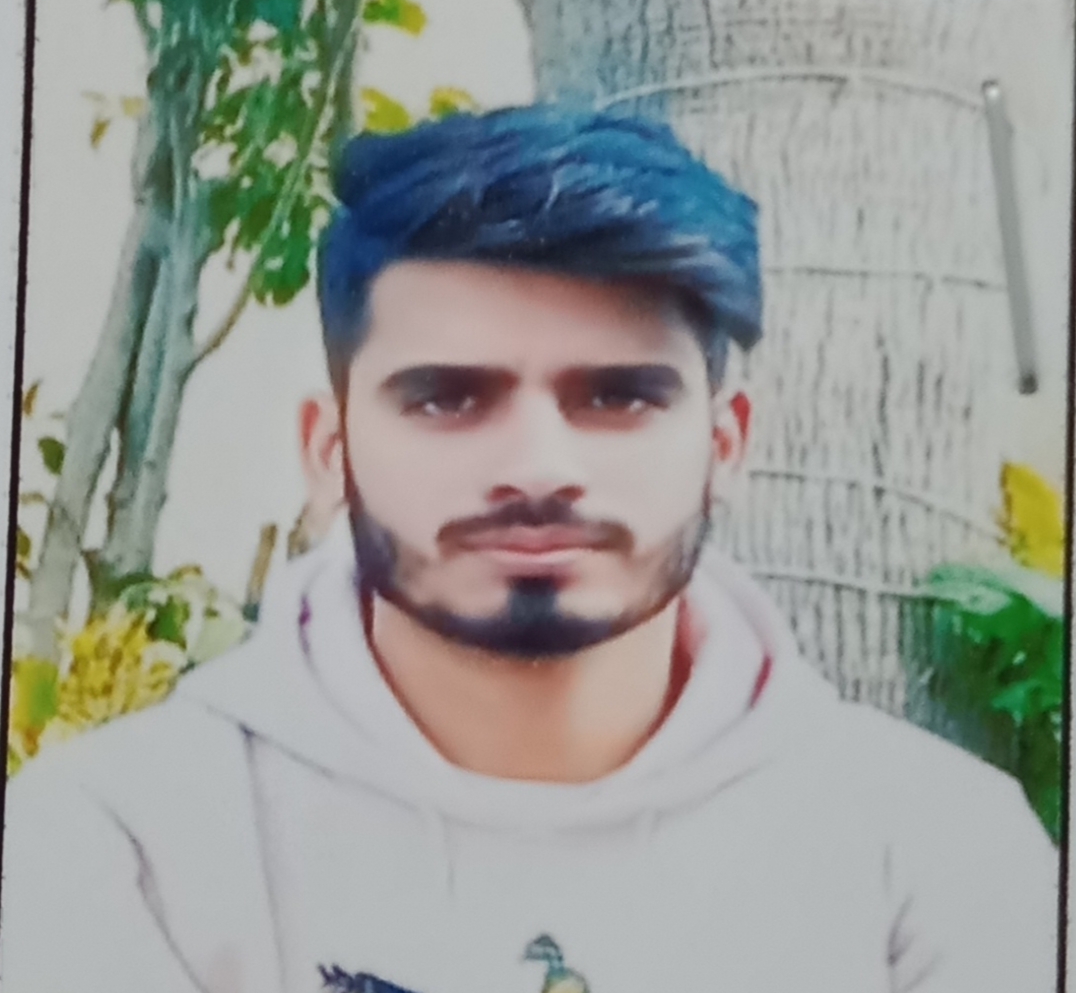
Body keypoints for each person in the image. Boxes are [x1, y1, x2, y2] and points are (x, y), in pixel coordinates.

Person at [0, 106, 1058, 993]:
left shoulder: (937, 856)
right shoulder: (120, 844)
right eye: (447, 398)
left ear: (724, 444)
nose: (539, 468)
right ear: (331, 450)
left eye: (617, 397)